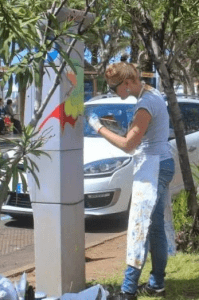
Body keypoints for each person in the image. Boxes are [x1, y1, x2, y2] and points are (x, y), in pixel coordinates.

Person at [87, 59, 175, 300]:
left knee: (140, 227)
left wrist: (98, 128)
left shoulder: (145, 104)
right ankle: (157, 284)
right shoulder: (151, 93)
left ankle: (127, 291)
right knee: (155, 228)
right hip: (161, 163)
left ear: (127, 83)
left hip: (153, 167)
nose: (113, 92)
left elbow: (128, 145)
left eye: (114, 88)